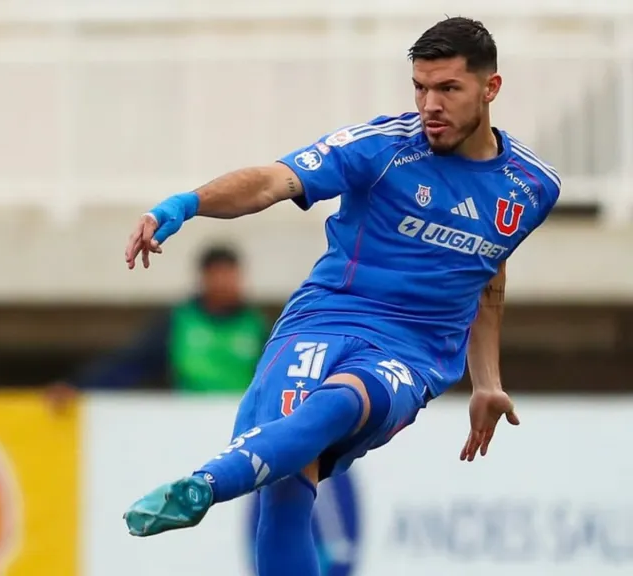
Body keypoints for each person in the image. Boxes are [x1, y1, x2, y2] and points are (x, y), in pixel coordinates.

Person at [119, 17, 560, 576]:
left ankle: (209, 482)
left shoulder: (532, 187)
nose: (430, 104)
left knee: (348, 399)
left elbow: (486, 270)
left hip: (413, 350)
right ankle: (214, 482)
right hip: (322, 321)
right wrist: (179, 206)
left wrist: (487, 380)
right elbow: (271, 181)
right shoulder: (383, 148)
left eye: (448, 89)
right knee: (284, 485)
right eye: (421, 88)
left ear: (490, 88)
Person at [47, 244, 268, 408]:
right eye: (217, 275)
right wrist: (78, 387)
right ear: (204, 278)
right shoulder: (179, 322)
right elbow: (131, 364)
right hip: (187, 422)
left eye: (229, 275)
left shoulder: (257, 327)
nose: (224, 284)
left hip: (239, 425)